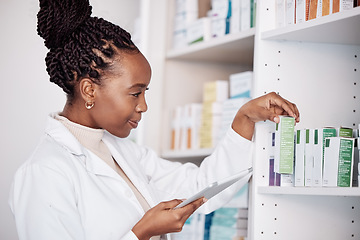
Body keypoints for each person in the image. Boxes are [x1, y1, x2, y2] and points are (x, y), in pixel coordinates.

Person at [9, 0, 300, 240]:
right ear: (89, 90)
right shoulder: (44, 172)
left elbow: (200, 187)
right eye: (135, 94)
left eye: (145, 92)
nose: (144, 106)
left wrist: (244, 119)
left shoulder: (121, 151)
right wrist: (141, 233)